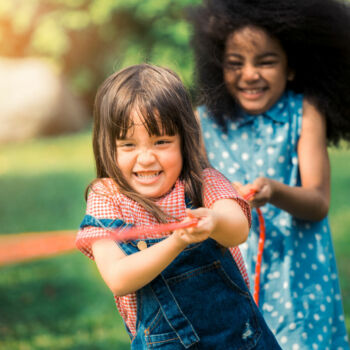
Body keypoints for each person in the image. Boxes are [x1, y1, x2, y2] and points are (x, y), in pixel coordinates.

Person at [76, 64, 281, 349]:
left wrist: (214, 222)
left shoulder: (203, 181)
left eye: (161, 141)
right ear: (107, 145)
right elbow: (118, 278)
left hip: (242, 338)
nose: (146, 158)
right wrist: (176, 242)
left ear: (184, 140)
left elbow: (238, 230)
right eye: (128, 145)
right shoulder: (107, 198)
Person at [190, 0, 350, 348]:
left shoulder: (305, 113)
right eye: (235, 64)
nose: (249, 74)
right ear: (218, 66)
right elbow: (191, 194)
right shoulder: (204, 123)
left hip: (299, 277)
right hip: (234, 274)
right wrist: (220, 194)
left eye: (266, 61)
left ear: (291, 66)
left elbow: (319, 201)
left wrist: (275, 191)